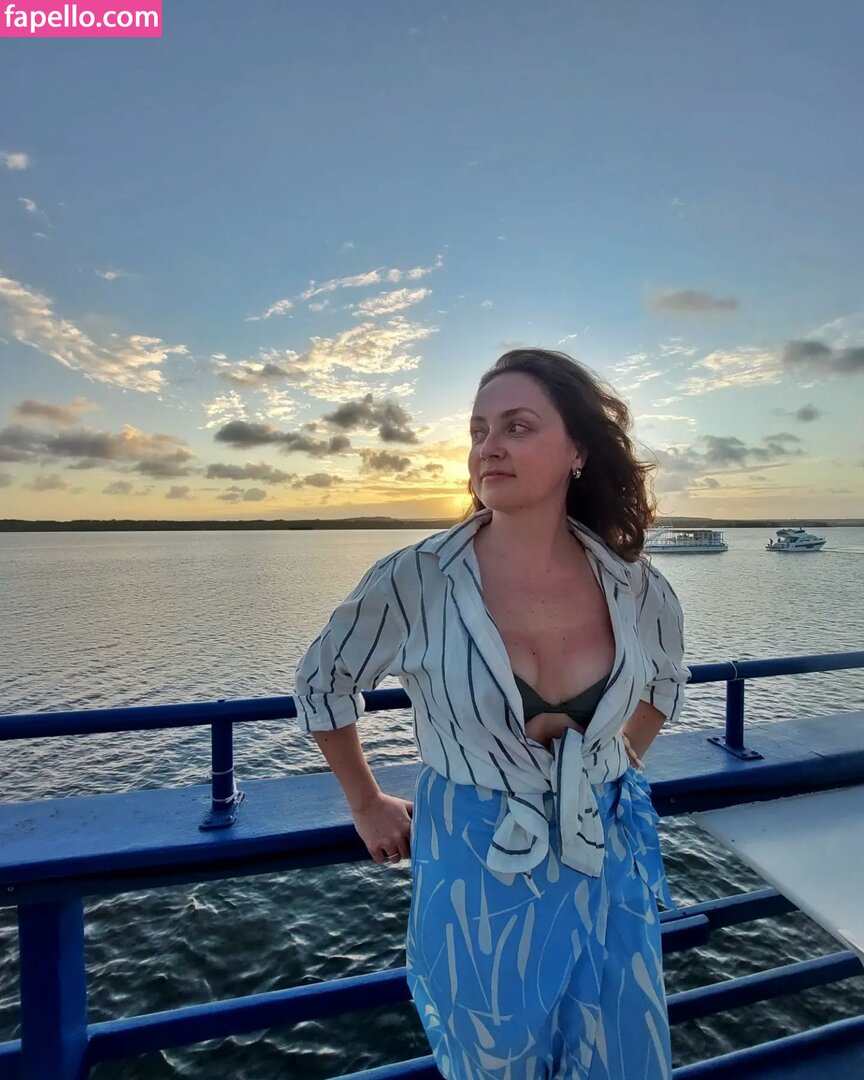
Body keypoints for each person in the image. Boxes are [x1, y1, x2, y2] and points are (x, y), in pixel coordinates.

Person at [293, 348, 688, 1079]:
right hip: (476, 866)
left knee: (622, 1060)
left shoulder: (632, 582)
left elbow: (665, 680)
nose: (489, 447)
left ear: (576, 451)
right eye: (478, 430)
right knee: (493, 1062)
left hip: (607, 859)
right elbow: (323, 682)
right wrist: (366, 802)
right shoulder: (418, 577)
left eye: (517, 426)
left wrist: (612, 763)